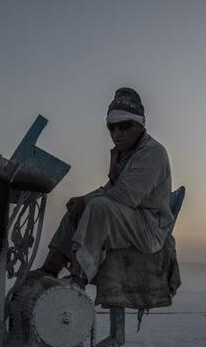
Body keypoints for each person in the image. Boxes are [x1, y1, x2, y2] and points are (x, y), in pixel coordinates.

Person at [33, 87, 174, 287]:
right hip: (130, 218)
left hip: (149, 227)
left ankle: (77, 280)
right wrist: (82, 201)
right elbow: (111, 189)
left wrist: (88, 200)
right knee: (76, 209)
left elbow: (126, 196)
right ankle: (49, 270)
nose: (117, 134)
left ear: (140, 125)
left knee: (99, 207)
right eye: (112, 127)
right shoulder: (124, 153)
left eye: (124, 126)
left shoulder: (153, 152)